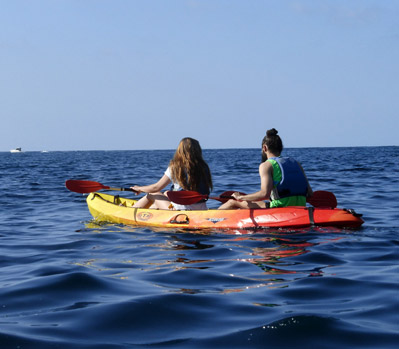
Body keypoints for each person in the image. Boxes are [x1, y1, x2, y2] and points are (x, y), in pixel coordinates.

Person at [218, 128, 312, 210]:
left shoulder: (266, 165)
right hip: (300, 207)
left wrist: (241, 197)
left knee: (232, 202)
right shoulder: (296, 163)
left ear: (264, 147)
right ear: (281, 148)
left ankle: (208, 219)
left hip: (280, 208)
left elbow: (264, 194)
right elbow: (310, 193)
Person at [131, 137, 213, 210]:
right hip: (201, 209)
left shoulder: (175, 167)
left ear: (180, 151)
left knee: (152, 193)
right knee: (166, 193)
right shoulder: (204, 167)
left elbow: (156, 188)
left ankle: (131, 211)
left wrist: (140, 189)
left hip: (179, 210)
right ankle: (148, 209)